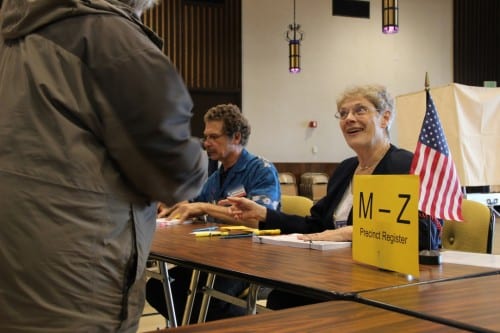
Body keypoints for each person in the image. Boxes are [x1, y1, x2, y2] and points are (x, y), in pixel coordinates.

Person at [0, 1, 207, 332]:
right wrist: (202, 154)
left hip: (21, 270)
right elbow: (174, 171)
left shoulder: (16, 31)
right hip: (78, 280)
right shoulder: (109, 38)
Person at [223, 84, 442, 310]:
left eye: (360, 110)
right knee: (284, 297)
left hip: (381, 281)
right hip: (335, 273)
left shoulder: (406, 166)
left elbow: (424, 236)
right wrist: (264, 214)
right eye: (343, 113)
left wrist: (351, 232)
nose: (349, 118)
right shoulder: (345, 170)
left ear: (385, 118)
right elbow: (315, 226)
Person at [146, 103, 281, 323]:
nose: (206, 143)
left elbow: (260, 221)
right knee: (157, 288)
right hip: (216, 258)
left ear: (236, 137)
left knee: (203, 300)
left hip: (251, 262)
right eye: (205, 137)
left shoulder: (261, 171)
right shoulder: (216, 177)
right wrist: (170, 204)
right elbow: (191, 204)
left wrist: (205, 207)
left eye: (214, 137)